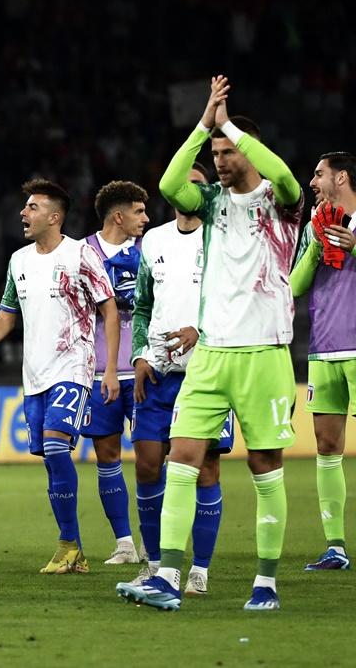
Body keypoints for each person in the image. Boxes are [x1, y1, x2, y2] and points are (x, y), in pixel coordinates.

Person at [118, 75, 303, 611]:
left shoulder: (283, 203)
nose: (219, 158)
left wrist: (232, 129)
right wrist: (204, 125)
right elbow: (172, 183)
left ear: (250, 151)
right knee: (182, 458)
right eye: (216, 151)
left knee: (265, 465)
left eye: (227, 151)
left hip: (264, 351)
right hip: (211, 355)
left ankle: (265, 583)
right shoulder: (214, 203)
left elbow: (287, 175)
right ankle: (167, 577)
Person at [0, 178, 120, 575]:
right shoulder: (18, 261)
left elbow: (108, 310)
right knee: (48, 458)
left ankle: (69, 545)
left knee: (57, 449)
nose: (24, 213)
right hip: (34, 374)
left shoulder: (81, 256)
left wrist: (108, 369)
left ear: (54, 217)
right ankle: (72, 549)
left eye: (33, 207)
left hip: (73, 367)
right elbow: (6, 319)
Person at [127, 163, 233, 595]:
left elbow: (234, 302)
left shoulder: (222, 239)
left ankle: (200, 570)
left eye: (196, 185)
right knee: (148, 466)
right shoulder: (153, 240)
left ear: (206, 193)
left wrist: (200, 332)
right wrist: (138, 356)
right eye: (181, 185)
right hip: (157, 375)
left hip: (206, 373)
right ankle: (155, 565)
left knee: (206, 469)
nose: (186, 191)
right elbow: (141, 305)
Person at [291, 151, 356, 571]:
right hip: (324, 348)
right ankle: (335, 545)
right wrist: (316, 248)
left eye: (318, 174)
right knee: (327, 447)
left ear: (342, 176)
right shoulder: (313, 227)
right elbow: (294, 286)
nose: (312, 182)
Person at [82, 181, 149, 565]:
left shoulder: (151, 250)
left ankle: (150, 540)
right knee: (106, 457)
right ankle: (124, 542)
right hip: (97, 373)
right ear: (118, 216)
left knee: (148, 457)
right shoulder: (82, 252)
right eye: (139, 212)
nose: (146, 219)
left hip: (142, 369)